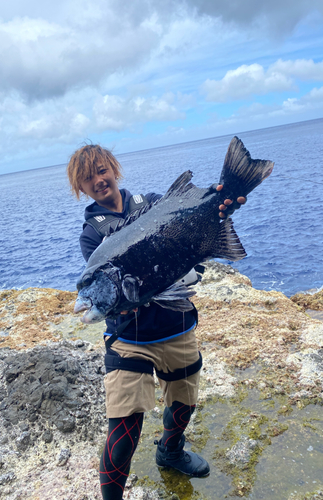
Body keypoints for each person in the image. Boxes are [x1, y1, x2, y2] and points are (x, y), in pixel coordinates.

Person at [67, 144, 246, 500]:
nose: (98, 180)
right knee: (124, 428)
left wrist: (221, 208)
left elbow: (189, 240)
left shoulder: (151, 204)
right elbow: (125, 287)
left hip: (175, 326)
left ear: (114, 170)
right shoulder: (92, 236)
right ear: (81, 188)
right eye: (88, 178)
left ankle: (171, 451)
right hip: (128, 338)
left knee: (184, 402)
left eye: (102, 171)